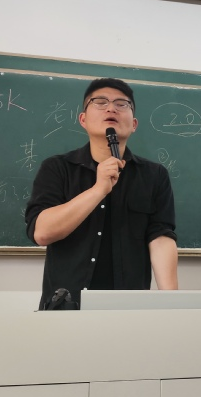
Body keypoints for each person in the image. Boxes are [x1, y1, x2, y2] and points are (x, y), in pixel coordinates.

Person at [25, 77, 178, 309]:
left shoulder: (154, 175)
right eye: (100, 102)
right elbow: (43, 233)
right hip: (66, 307)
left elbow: (161, 238)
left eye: (121, 104)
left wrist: (172, 303)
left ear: (134, 124)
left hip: (129, 307)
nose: (111, 108)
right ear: (83, 120)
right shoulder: (57, 168)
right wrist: (98, 189)